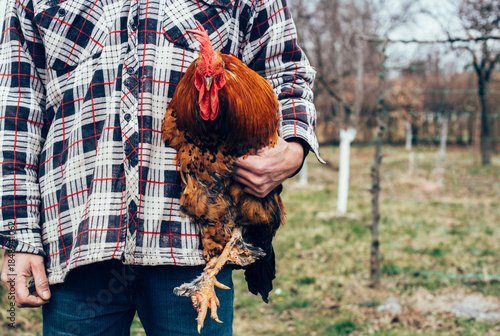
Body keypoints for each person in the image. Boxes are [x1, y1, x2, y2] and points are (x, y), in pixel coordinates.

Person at [0, 0, 322, 334]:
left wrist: (294, 147)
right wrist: (16, 240)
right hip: (77, 240)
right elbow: (16, 108)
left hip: (197, 244)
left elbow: (287, 71)